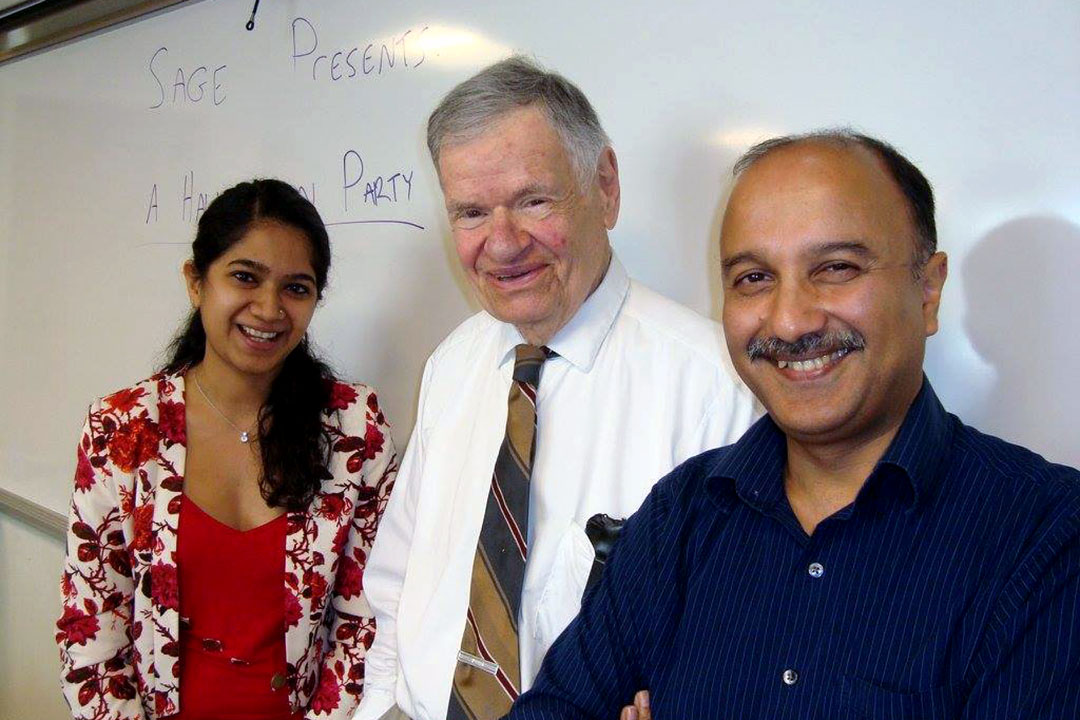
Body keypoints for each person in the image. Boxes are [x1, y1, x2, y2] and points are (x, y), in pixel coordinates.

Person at [509, 130, 1080, 719]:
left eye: (835, 267)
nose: (789, 320)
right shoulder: (680, 516)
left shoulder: (1047, 538)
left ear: (928, 290)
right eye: (754, 278)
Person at [356, 57, 758, 720]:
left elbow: (730, 649)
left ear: (604, 187)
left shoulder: (715, 388)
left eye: (532, 200)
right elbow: (398, 593)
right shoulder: (454, 365)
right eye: (472, 213)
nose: (502, 243)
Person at [55, 179, 398, 720]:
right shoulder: (122, 431)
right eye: (245, 277)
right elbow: (92, 635)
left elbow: (366, 620)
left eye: (297, 288)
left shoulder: (353, 428)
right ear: (196, 282)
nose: (268, 309)